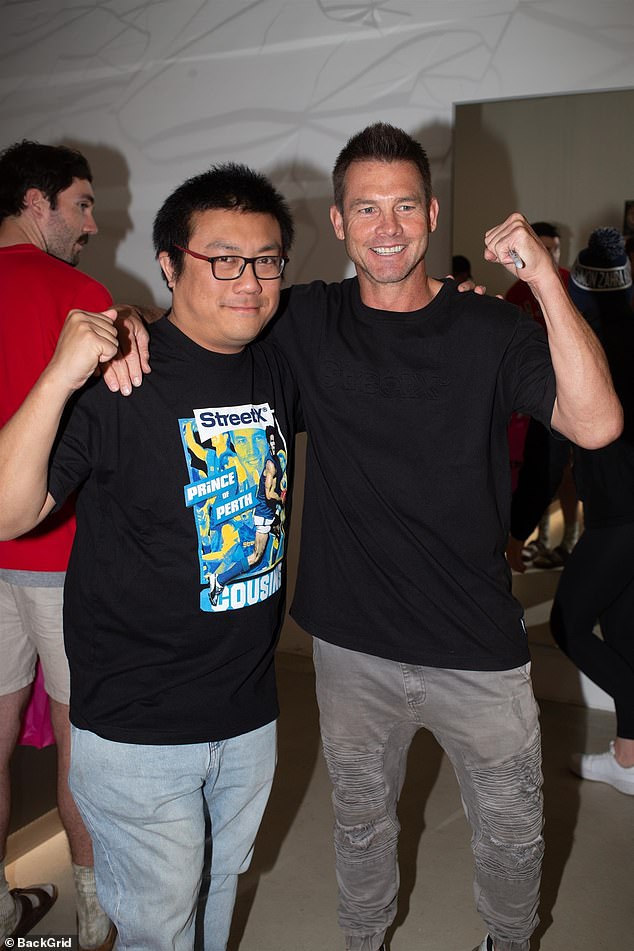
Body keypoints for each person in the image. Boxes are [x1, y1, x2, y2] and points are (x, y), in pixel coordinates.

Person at [114, 123, 622, 951]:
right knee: (359, 831)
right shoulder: (304, 321)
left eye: (405, 205)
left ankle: (507, 940)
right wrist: (132, 322)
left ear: (430, 213)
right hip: (352, 648)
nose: (387, 226)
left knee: (511, 834)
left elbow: (598, 423)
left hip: (478, 646)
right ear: (341, 224)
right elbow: (209, 321)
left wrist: (548, 282)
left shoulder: (489, 331)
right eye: (366, 208)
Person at [0, 163, 301, 951]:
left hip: (248, 717)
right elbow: (8, 511)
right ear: (170, 265)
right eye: (222, 258)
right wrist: (61, 374)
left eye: (266, 259)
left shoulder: (281, 353)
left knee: (219, 897)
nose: (248, 280)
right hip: (138, 732)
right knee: (158, 931)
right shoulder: (113, 377)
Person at [0, 139, 115, 948]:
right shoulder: (83, 296)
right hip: (65, 560)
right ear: (36, 203)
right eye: (81, 203)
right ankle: (96, 923)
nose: (91, 222)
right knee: (87, 753)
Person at [549, 227, 634, 795]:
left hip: (622, 516)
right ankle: (629, 762)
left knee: (567, 624)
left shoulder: (593, 347)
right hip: (617, 512)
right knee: (623, 632)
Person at [505, 222, 581, 572]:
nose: (549, 254)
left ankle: (569, 537)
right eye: (543, 248)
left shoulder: (572, 282)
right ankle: (535, 538)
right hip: (541, 396)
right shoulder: (517, 294)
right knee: (544, 469)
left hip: (577, 391)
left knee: (568, 474)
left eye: (554, 248)